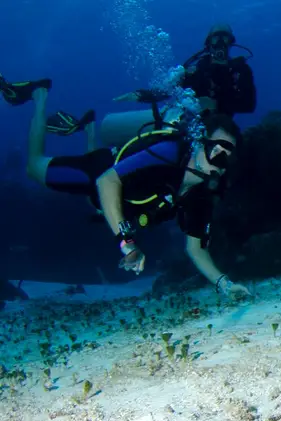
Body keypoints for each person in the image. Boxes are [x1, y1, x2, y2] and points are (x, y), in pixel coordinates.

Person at [0, 76, 251, 299]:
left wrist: (225, 285)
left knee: (97, 207)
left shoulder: (201, 196)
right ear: (198, 143)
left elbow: (196, 249)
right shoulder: (167, 152)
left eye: (227, 158)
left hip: (118, 202)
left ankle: (88, 128)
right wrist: (127, 243)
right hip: (99, 170)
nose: (220, 164)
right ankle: (40, 95)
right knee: (33, 168)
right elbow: (106, 181)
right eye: (215, 151)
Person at [179, 23, 256, 118]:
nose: (220, 42)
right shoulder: (198, 69)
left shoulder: (240, 70)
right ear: (209, 43)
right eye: (216, 38)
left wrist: (216, 104)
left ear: (230, 42)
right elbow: (178, 95)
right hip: (193, 123)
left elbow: (249, 105)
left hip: (222, 125)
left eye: (224, 38)